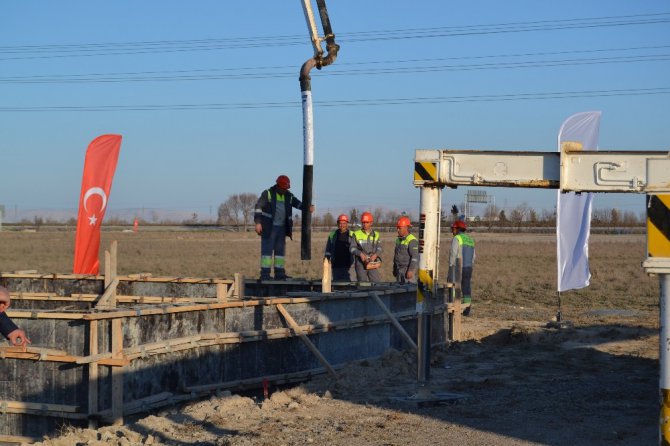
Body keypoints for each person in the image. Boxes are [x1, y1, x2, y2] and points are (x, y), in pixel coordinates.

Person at [254, 175, 314, 280]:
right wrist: (258, 222)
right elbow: (258, 207)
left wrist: (308, 207)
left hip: (281, 229)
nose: (284, 190)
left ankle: (280, 274)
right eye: (283, 188)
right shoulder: (268, 193)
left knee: (280, 254)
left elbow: (298, 204)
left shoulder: (288, 196)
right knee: (267, 254)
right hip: (269, 229)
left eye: (286, 188)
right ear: (278, 186)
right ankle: (265, 275)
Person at [448, 220, 475, 316]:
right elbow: (474, 256)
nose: (452, 231)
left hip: (458, 267)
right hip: (468, 267)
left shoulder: (457, 238)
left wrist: (451, 267)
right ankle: (467, 309)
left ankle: (455, 308)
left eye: (453, 229)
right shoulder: (470, 240)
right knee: (466, 287)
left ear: (457, 229)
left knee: (454, 286)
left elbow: (453, 254)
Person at [350, 211, 382, 283]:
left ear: (371, 223)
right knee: (362, 284)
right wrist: (360, 254)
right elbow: (352, 248)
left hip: (372, 263)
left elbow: (380, 248)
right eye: (363, 222)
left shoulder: (376, 234)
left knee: (376, 283)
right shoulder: (356, 234)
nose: (364, 224)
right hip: (360, 264)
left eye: (366, 222)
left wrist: (375, 255)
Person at [324, 214, 354, 281]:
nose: (342, 225)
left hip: (349, 266)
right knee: (337, 286)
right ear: (337, 224)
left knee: (350, 287)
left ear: (347, 224)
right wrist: (327, 258)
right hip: (336, 265)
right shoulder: (332, 235)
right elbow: (328, 249)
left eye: (344, 223)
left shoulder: (352, 235)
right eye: (340, 223)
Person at [393, 216, 418, 284]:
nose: (398, 230)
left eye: (400, 228)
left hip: (407, 271)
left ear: (406, 228)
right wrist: (395, 269)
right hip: (399, 270)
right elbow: (396, 256)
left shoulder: (412, 240)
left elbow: (415, 257)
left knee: (409, 292)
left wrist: (411, 270)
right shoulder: (398, 240)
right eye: (397, 228)